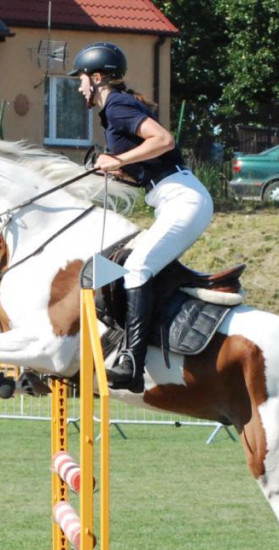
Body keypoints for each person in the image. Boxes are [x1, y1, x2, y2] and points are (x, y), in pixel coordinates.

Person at [71, 42, 214, 393]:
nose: (79, 87)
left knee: (136, 268)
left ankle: (132, 363)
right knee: (133, 266)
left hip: (183, 198)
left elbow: (163, 139)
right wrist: (112, 170)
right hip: (171, 197)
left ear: (98, 78)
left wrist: (117, 161)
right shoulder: (113, 113)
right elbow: (146, 168)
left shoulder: (118, 105)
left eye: (82, 79)